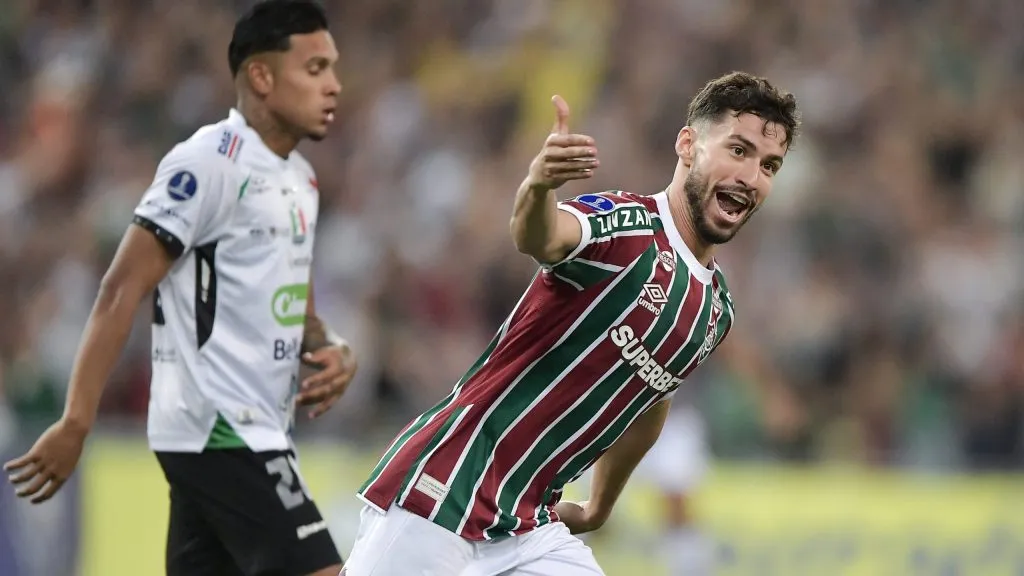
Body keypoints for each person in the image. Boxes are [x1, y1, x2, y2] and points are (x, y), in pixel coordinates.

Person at [344, 71, 800, 575]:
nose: (752, 176)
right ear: (688, 145)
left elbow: (650, 399)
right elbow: (539, 235)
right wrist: (539, 185)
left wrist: (601, 503)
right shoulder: (627, 225)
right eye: (738, 151)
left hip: (529, 525)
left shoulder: (716, 309)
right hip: (444, 491)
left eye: (769, 165)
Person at [4, 2, 356, 575]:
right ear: (262, 77)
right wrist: (77, 420)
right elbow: (120, 288)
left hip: (254, 428)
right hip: (222, 426)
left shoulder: (300, 181)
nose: (334, 86)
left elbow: (295, 305)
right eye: (315, 69)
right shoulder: (207, 164)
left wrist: (331, 344)